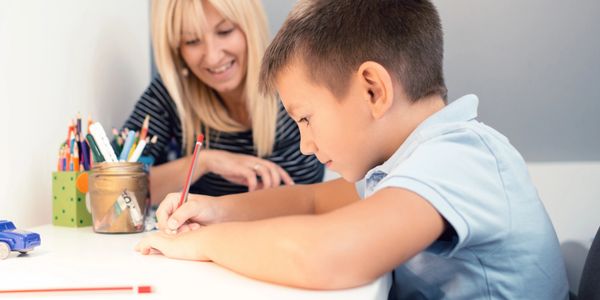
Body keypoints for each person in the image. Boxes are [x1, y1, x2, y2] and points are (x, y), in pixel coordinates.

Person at [135, 0, 569, 298]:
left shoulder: (458, 158)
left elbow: (326, 255)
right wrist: (215, 209)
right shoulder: (407, 164)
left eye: (305, 118)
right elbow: (309, 202)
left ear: (373, 90)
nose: (304, 144)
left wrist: (207, 242)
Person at [122, 0, 324, 203]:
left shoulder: (297, 76)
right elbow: (115, 189)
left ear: (249, 25)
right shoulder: (172, 93)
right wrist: (202, 161)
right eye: (192, 41)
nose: (212, 57)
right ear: (177, 49)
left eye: (225, 31)